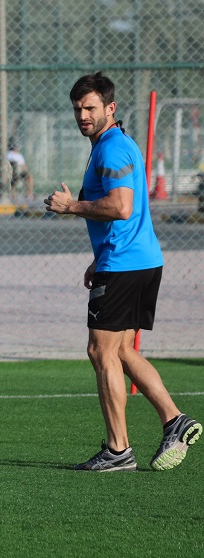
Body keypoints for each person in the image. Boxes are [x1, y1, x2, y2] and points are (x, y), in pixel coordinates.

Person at [46, 72, 201, 472]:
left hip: (126, 266)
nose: (83, 115)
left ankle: (118, 450)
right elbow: (124, 217)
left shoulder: (112, 149)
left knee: (100, 351)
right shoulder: (112, 145)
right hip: (136, 260)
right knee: (121, 351)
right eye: (78, 109)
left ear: (110, 108)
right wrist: (99, 258)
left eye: (90, 108)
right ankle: (174, 419)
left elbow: (121, 207)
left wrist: (71, 207)